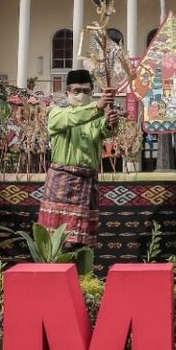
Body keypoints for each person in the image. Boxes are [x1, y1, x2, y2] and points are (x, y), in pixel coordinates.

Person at [37, 69, 118, 247]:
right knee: (59, 241)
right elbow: (74, 118)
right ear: (67, 93)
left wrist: (110, 122)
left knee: (84, 242)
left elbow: (104, 130)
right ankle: (57, 273)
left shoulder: (96, 117)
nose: (81, 95)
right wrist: (97, 107)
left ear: (91, 92)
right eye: (76, 91)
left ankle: (83, 274)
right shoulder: (57, 113)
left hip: (88, 181)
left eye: (86, 91)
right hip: (63, 180)